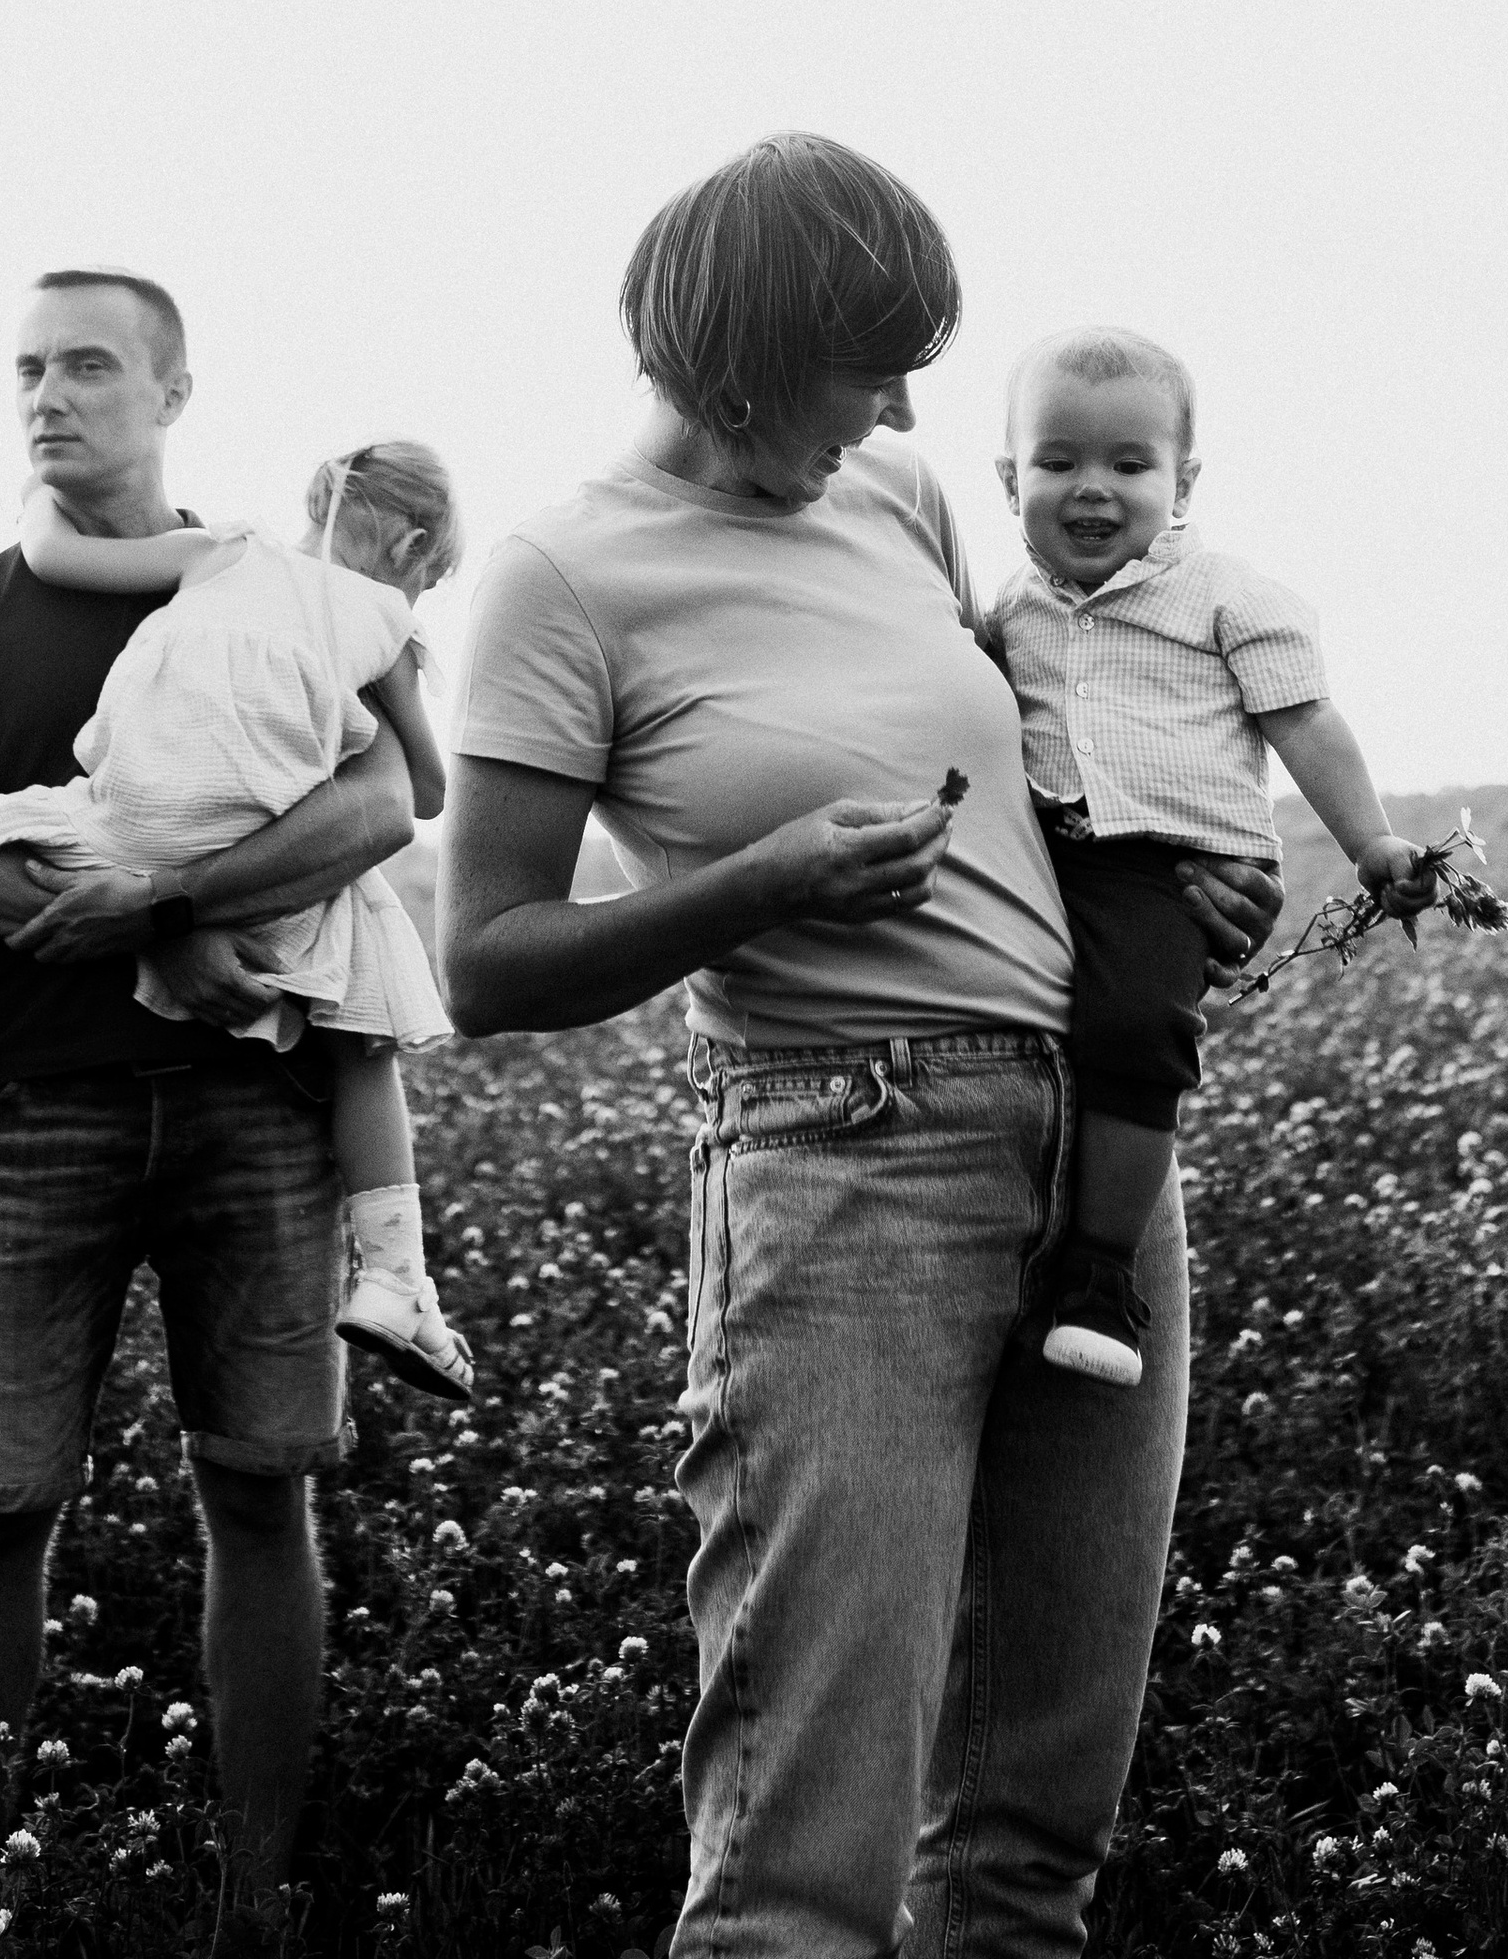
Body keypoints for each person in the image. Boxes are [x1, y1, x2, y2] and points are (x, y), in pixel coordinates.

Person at [439, 136, 1284, 1959]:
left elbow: (1033, 754)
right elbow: (485, 963)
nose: (904, 401)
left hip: (1091, 1163)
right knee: (805, 1866)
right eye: (870, 360)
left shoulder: (894, 495)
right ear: (743, 352)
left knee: (1031, 1838)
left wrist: (1172, 877)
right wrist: (760, 882)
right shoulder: (560, 581)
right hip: (845, 1171)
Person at [0, 271, 415, 1955]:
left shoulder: (293, 595)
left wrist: (156, 904)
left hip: (257, 1099)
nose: (52, 394)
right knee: (2, 1500)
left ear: (174, 388)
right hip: (32, 1101)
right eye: (28, 367)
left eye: (91, 364)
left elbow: (396, 794)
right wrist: (111, 906)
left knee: (262, 1492)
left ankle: (253, 1897)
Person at [0, 440, 473, 1402]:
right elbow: (419, 791)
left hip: (121, 825)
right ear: (414, 545)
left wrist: (40, 497)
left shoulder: (230, 552)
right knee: (362, 1022)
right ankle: (396, 1279)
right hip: (253, 881)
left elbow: (53, 556)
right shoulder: (384, 629)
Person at [992, 327, 1424, 1389]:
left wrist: (1369, 843)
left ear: (1181, 480)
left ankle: (1100, 1272)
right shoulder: (1004, 606)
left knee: (1134, 1029)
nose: (1092, 489)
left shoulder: (1228, 596)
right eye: (1058, 463)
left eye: (1128, 465)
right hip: (1052, 852)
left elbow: (1306, 721)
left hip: (1172, 867)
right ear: (1009, 478)